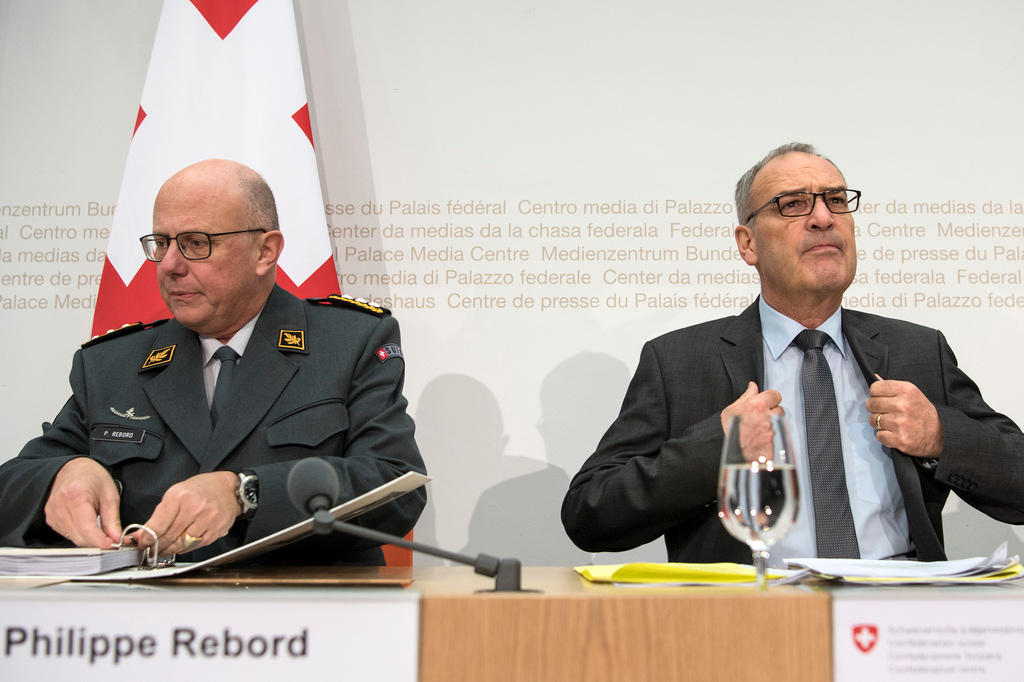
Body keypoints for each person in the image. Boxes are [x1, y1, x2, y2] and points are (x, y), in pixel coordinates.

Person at [562, 142, 1024, 563]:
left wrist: (942, 435)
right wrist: (718, 447)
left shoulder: (918, 350)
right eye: (794, 204)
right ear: (748, 244)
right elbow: (590, 513)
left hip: (898, 614)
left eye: (836, 200)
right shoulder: (679, 361)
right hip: (753, 618)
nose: (823, 217)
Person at [0, 159, 426, 565]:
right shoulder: (111, 364)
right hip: (143, 626)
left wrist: (246, 493)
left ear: (265, 251)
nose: (170, 265)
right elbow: (14, 485)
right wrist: (61, 476)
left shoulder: (348, 342)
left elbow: (395, 486)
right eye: (162, 243)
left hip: (300, 614)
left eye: (195, 243)